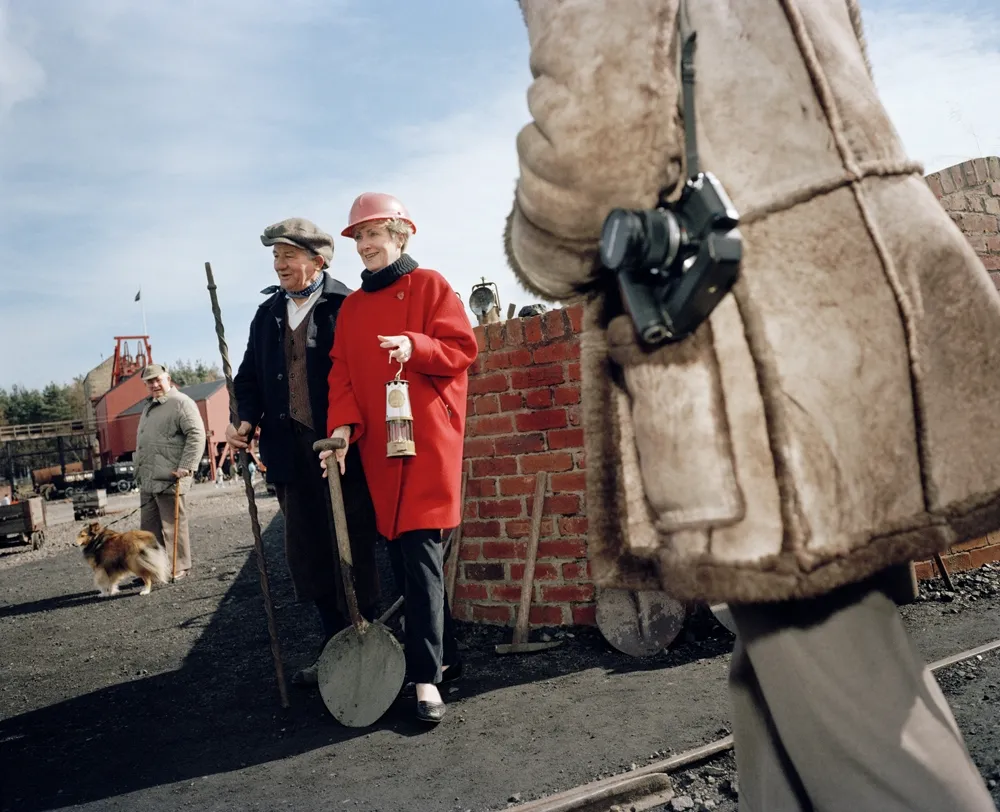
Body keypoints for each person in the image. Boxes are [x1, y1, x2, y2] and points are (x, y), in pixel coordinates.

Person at [503, 1, 1000, 809]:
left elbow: (593, 160)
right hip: (855, 295)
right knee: (780, 669)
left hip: (753, 337)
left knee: (852, 700)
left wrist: (535, 243)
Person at [319, 193, 477, 724]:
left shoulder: (430, 285)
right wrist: (340, 429)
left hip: (427, 443)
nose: (365, 245)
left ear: (399, 236)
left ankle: (425, 679)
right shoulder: (353, 309)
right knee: (412, 559)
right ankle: (447, 658)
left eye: (374, 235)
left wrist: (416, 345)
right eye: (358, 237)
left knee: (420, 555)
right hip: (380, 452)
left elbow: (461, 348)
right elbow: (340, 373)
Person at [230, 217, 380, 686]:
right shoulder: (268, 313)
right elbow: (249, 377)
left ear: (318, 261)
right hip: (289, 452)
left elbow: (361, 376)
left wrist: (345, 430)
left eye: (288, 256)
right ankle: (335, 647)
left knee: (351, 546)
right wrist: (245, 420)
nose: (279, 265)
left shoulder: (346, 306)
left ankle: (370, 643)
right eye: (275, 257)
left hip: (341, 449)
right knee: (308, 554)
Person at [134, 364, 206, 581]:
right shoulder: (149, 407)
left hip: (171, 475)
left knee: (172, 525)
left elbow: (197, 434)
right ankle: (154, 569)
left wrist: (187, 466)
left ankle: (180, 566)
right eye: (149, 382)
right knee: (149, 528)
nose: (155, 385)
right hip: (148, 478)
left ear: (168, 378)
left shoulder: (181, 403)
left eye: (158, 380)